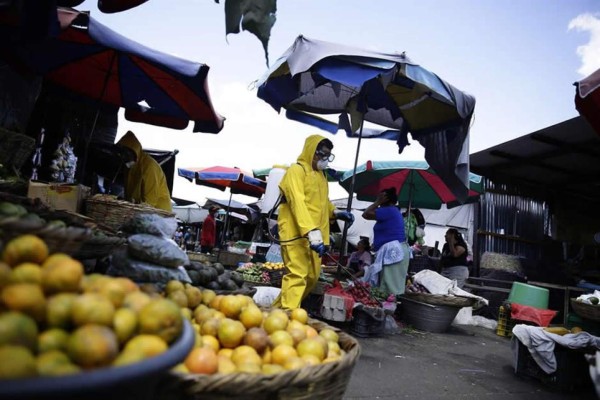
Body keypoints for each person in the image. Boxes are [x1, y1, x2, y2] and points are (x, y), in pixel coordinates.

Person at [272, 134, 354, 310]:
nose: (324, 159)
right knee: (297, 274)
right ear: (311, 151)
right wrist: (310, 231)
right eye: (322, 154)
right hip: (295, 234)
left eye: (328, 156)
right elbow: (297, 202)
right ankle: (288, 316)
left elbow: (323, 202)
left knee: (312, 276)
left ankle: (276, 311)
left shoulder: (321, 176)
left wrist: (337, 212)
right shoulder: (296, 170)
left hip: (316, 236)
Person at [362, 188, 410, 295]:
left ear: (384, 199)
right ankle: (389, 308)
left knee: (390, 288)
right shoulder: (392, 211)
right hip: (394, 252)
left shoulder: (389, 210)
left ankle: (390, 309)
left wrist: (377, 202)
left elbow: (366, 214)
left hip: (394, 253)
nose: (377, 200)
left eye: (379, 198)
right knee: (388, 286)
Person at [116, 131, 172, 212]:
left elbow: (150, 201)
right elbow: (129, 194)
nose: (123, 157)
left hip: (158, 213)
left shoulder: (149, 166)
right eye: (121, 154)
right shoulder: (129, 167)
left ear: (134, 151)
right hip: (141, 211)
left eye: (126, 153)